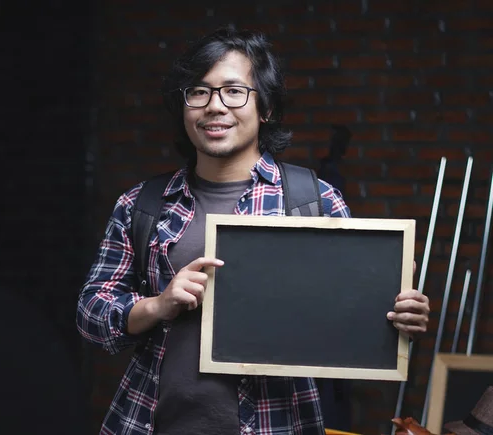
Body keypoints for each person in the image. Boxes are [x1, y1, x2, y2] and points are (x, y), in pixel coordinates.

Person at [76, 26, 430, 435]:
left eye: (233, 91)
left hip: (278, 424)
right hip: (148, 422)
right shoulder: (142, 205)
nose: (215, 106)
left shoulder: (312, 201)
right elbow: (91, 314)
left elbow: (353, 320)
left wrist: (397, 317)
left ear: (266, 108)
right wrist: (158, 305)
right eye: (199, 92)